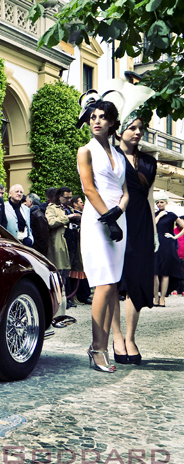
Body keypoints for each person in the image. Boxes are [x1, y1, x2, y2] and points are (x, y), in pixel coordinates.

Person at [77, 97, 128, 372]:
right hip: (98, 220)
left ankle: (102, 347)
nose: (96, 121)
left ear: (111, 123)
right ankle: (97, 348)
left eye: (102, 117)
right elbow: (89, 189)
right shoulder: (85, 151)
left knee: (113, 286)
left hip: (119, 219)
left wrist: (119, 212)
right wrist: (110, 219)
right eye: (93, 116)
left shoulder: (119, 155)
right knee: (104, 284)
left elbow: (126, 193)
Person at [107, 99, 156, 364]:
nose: (137, 132)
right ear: (119, 131)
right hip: (117, 221)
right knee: (114, 280)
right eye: (132, 128)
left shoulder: (149, 161)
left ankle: (130, 337)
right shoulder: (109, 156)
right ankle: (116, 337)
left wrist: (156, 233)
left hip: (142, 224)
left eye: (140, 128)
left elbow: (148, 198)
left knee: (136, 280)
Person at [153, 197, 184, 307]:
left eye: (161, 202)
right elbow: (152, 226)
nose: (159, 204)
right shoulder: (154, 214)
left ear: (166, 203)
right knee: (155, 272)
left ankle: (162, 299)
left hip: (167, 244)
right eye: (157, 202)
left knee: (165, 272)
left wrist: (175, 237)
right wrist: (159, 216)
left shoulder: (172, 215)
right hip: (155, 244)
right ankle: (156, 297)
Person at [46, 188, 72, 305]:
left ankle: (66, 299)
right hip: (58, 244)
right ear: (60, 197)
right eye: (66, 197)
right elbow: (50, 222)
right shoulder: (52, 208)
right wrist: (68, 218)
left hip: (70, 242)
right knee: (58, 272)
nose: (69, 200)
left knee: (66, 272)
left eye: (70, 197)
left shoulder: (68, 208)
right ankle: (57, 301)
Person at [27, 192, 50, 258]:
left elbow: (43, 236)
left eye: (26, 201)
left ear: (30, 202)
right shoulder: (36, 213)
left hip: (37, 250)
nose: (25, 203)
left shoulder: (37, 215)